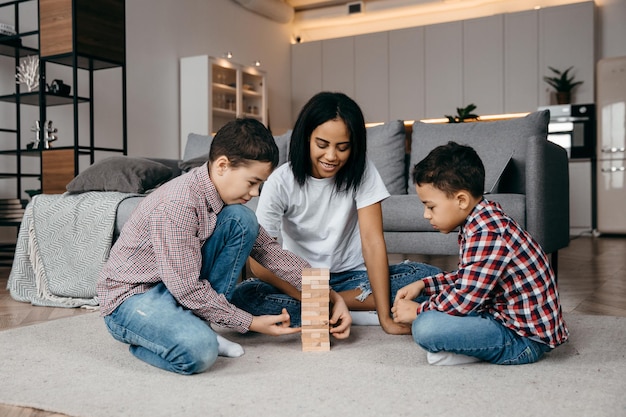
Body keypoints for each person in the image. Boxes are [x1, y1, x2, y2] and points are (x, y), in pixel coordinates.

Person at [97, 118, 351, 375]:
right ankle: (153, 340)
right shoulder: (179, 206)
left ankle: (196, 325)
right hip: (131, 297)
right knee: (199, 352)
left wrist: (331, 294)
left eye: (260, 185)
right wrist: (251, 322)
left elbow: (270, 252)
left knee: (243, 219)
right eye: (252, 182)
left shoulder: (221, 196)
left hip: (173, 284)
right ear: (222, 166)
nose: (255, 193)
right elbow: (187, 290)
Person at [231, 92, 441, 335]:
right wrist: (316, 295)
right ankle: (351, 309)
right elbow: (259, 263)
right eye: (322, 145)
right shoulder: (281, 181)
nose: (331, 156)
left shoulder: (362, 171)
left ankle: (333, 311)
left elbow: (372, 242)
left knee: (427, 277)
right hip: (300, 282)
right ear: (305, 138)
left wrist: (385, 319)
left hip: (354, 279)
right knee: (243, 297)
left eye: (342, 148)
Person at [392, 141, 569, 365]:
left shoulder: (488, 232)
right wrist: (424, 285)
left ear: (461, 200)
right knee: (428, 300)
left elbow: (464, 298)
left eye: (430, 206)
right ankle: (464, 341)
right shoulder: (479, 221)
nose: (426, 215)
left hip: (523, 340)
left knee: (425, 327)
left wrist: (419, 311)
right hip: (498, 314)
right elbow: (468, 277)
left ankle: (468, 349)